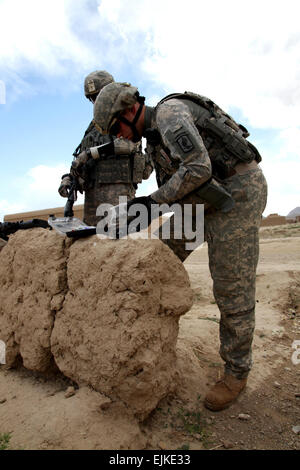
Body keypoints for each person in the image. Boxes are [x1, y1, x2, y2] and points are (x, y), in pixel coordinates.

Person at [93, 82, 268, 411]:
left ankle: (236, 373)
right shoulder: (153, 138)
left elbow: (198, 168)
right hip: (204, 199)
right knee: (159, 256)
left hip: (238, 193)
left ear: (130, 111)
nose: (120, 136)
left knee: (233, 287)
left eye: (117, 127)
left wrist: (150, 203)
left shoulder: (170, 115)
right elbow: (176, 183)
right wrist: (138, 213)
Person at [58, 71, 153, 226]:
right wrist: (68, 178)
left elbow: (130, 145)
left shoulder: (125, 116)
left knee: (117, 239)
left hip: (118, 190)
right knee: (91, 241)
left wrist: (91, 154)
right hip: (92, 194)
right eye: (92, 98)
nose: (95, 101)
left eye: (98, 96)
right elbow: (81, 159)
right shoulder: (92, 128)